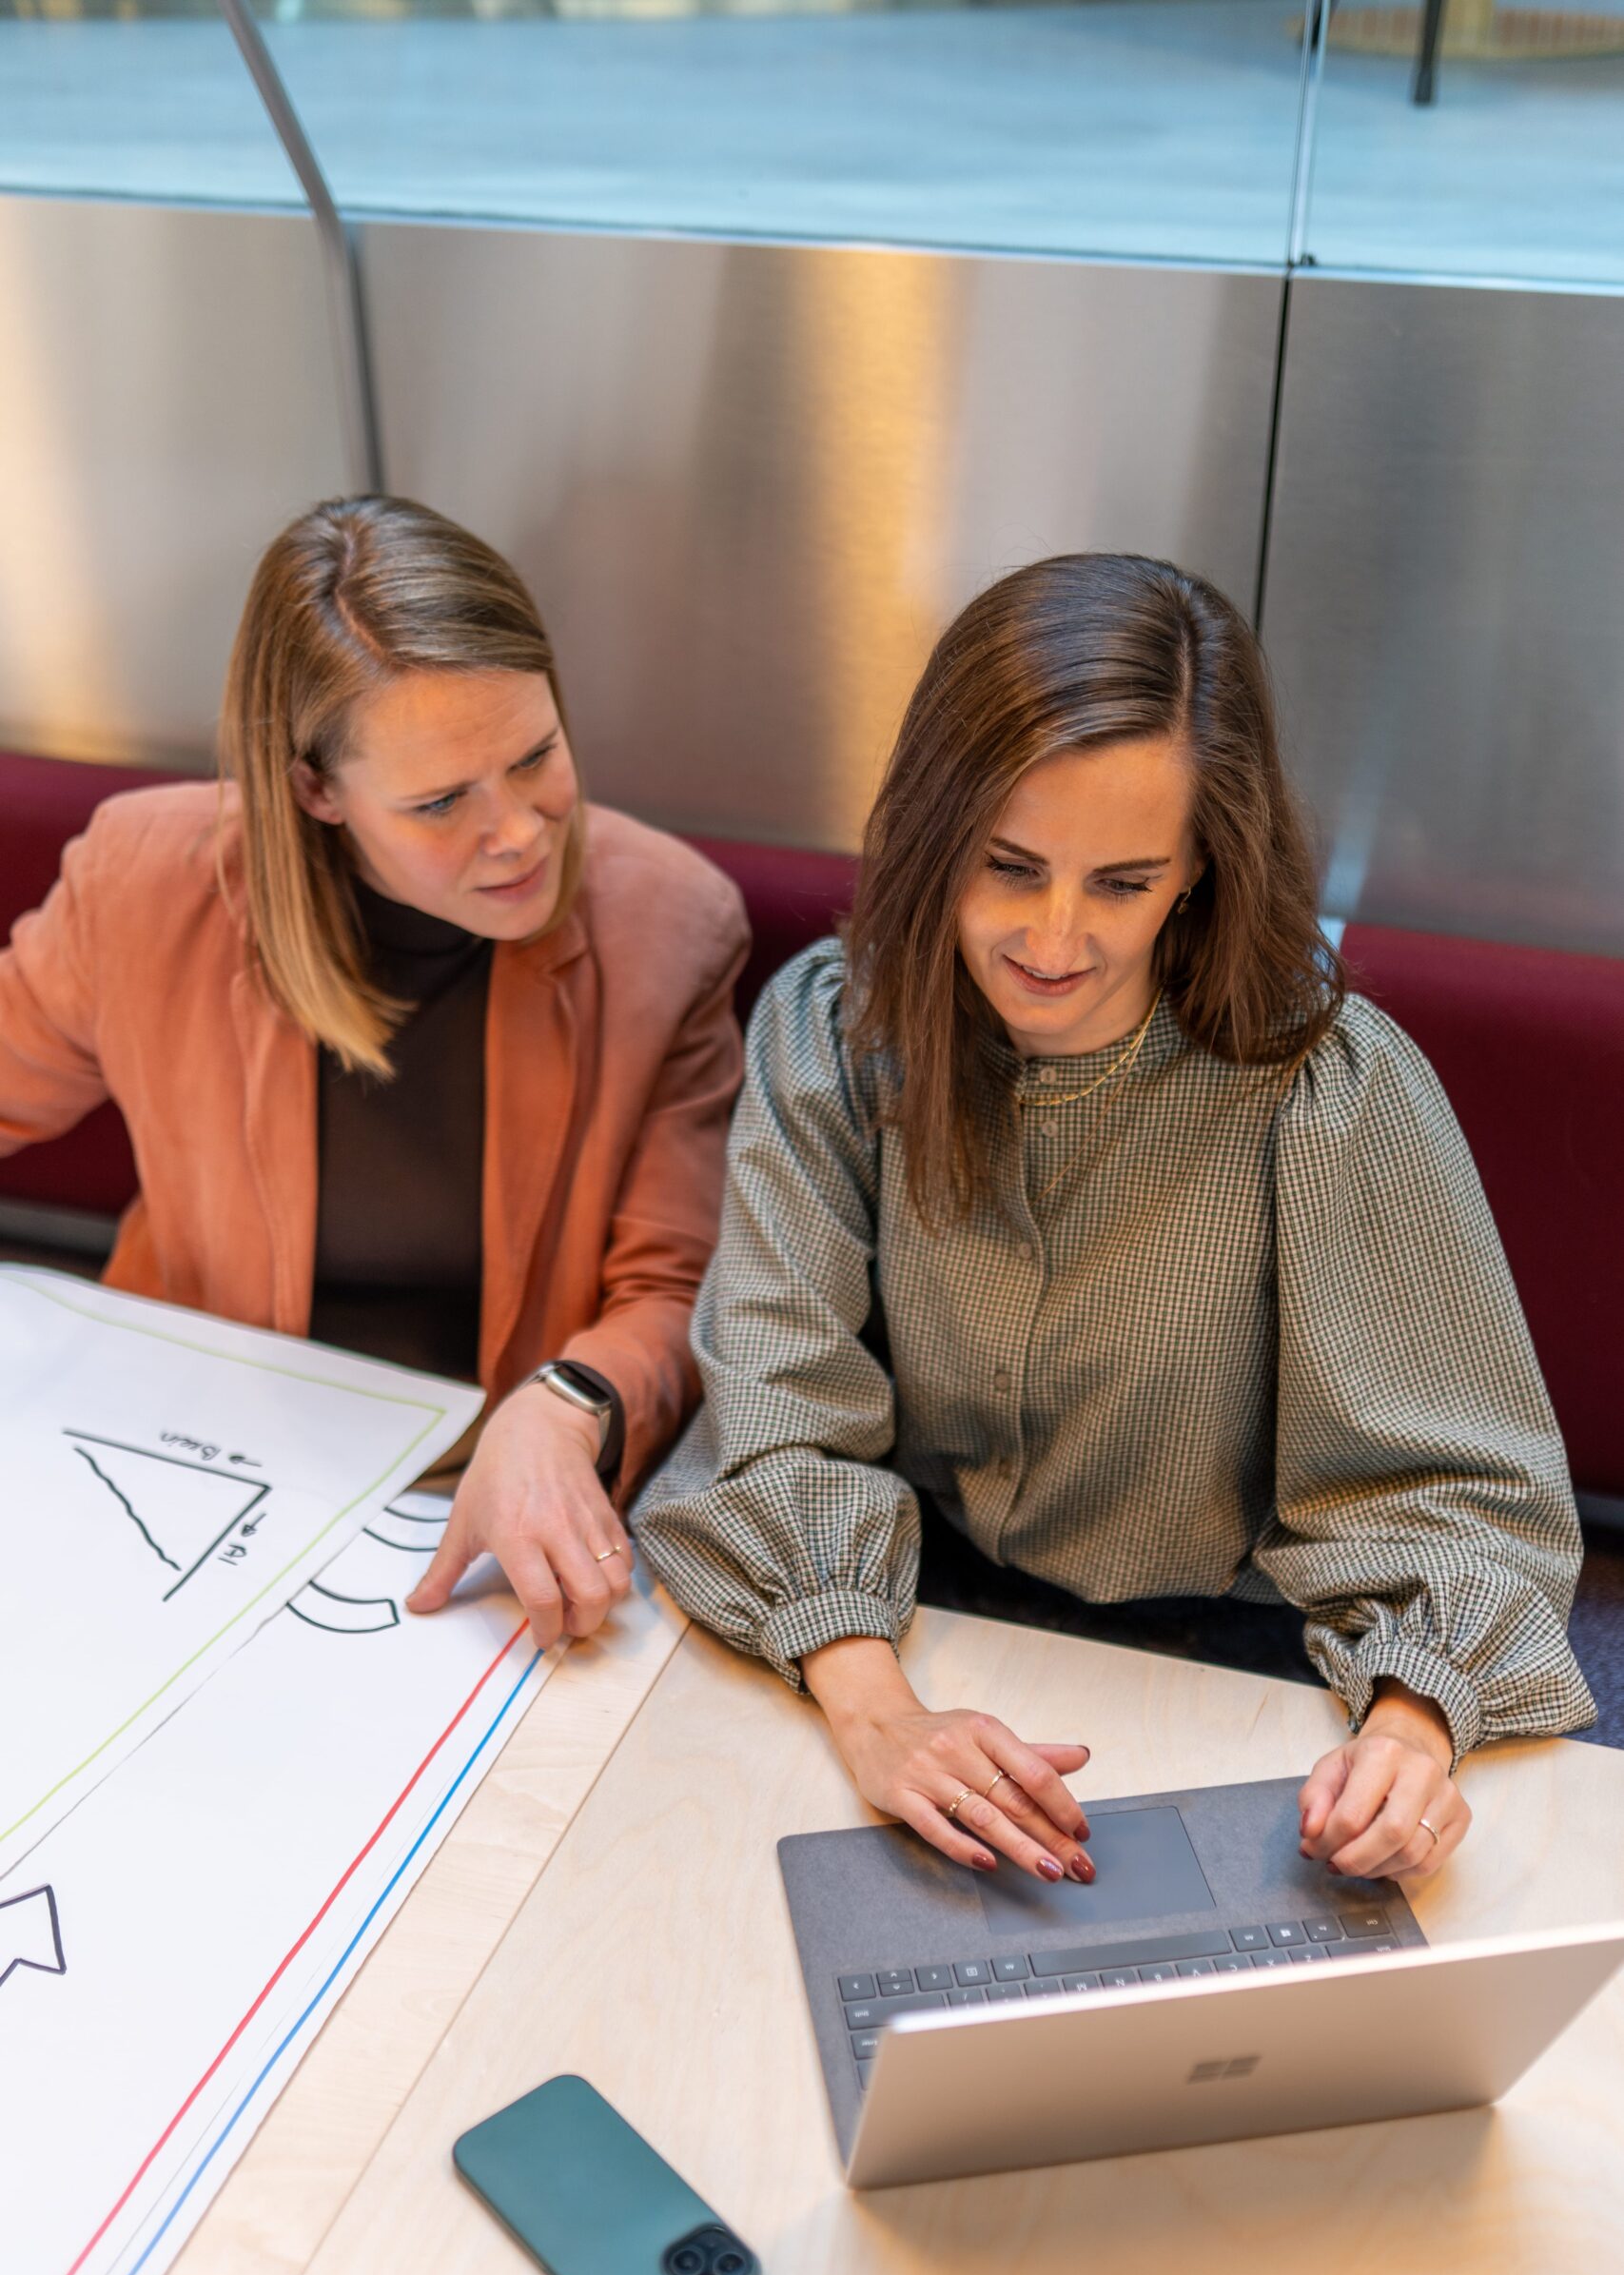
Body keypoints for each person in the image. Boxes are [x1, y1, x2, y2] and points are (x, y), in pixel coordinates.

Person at [636, 552, 1595, 1890]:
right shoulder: (831, 1032)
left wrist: (1409, 1728)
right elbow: (776, 1401)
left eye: (1121, 882)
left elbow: (1454, 1495)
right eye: (1006, 866)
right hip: (900, 1621)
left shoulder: (1321, 1085)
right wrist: (873, 1711)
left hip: (1240, 1664)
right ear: (931, 835)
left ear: (1200, 866)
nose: (1051, 937)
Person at [0, 494, 749, 1647]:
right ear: (315, 791)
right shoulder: (143, 881)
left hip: (478, 1509)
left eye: (535, 755)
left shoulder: (671, 928)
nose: (516, 832)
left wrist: (566, 1406)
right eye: (442, 801)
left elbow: (671, 1291)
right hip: (181, 1471)